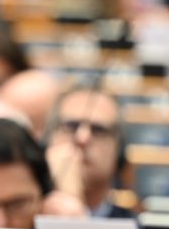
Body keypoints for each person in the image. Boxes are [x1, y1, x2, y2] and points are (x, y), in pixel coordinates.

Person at [45, 85, 132, 219]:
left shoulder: (133, 228)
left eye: (98, 130)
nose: (82, 138)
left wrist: (72, 202)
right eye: (71, 126)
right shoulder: (22, 216)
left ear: (119, 149)